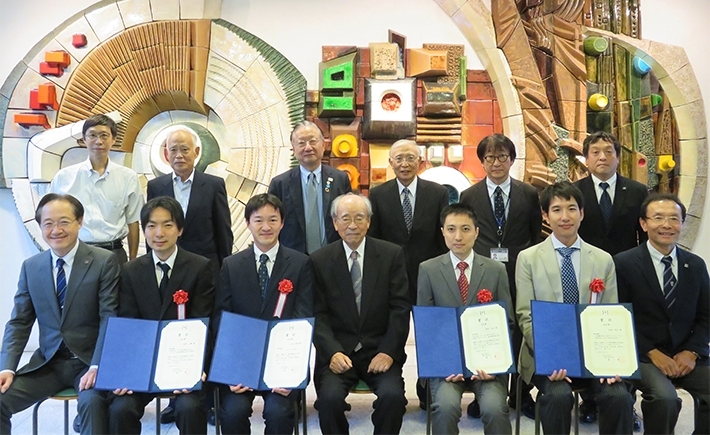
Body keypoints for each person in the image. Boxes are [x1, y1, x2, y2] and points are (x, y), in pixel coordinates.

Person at [515, 181, 633, 434]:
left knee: (619, 396)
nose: (565, 217)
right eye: (557, 210)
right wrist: (552, 356)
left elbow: (611, 315)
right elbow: (526, 316)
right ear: (546, 215)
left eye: (571, 209)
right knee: (558, 397)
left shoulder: (602, 259)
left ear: (582, 213)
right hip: (547, 355)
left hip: (595, 355)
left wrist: (612, 362)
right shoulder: (528, 259)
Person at [0, 193, 119, 435]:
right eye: (48, 223)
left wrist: (98, 364)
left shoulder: (104, 261)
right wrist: (7, 368)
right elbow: (20, 321)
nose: (56, 230)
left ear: (79, 221)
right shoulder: (31, 267)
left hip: (88, 362)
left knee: (93, 402)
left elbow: (110, 317)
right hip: (48, 364)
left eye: (64, 221)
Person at [108, 196, 215, 434]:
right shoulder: (130, 271)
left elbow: (203, 323)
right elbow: (128, 324)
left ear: (180, 229)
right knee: (120, 408)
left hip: (184, 364)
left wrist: (195, 367)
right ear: (144, 230)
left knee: (189, 407)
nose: (159, 233)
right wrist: (126, 373)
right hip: (143, 365)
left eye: (167, 225)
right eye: (151, 226)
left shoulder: (200, 267)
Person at [214, 193, 313, 434]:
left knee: (279, 413)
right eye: (258, 220)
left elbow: (303, 318)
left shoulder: (300, 263)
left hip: (283, 362)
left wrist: (291, 371)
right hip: (242, 363)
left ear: (282, 223)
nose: (266, 227)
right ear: (247, 223)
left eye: (272, 220)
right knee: (232, 413)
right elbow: (221, 319)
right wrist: (231, 370)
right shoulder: (231, 265)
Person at [311, 194, 410, 434]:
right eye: (345, 219)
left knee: (393, 398)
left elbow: (400, 308)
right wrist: (332, 352)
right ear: (335, 223)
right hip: (338, 352)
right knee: (329, 400)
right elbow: (317, 314)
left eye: (359, 218)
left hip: (379, 350)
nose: (352, 225)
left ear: (368, 222)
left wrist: (388, 352)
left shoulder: (390, 255)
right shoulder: (319, 260)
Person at [458, 133, 541, 418]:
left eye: (502, 156)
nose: (496, 163)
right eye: (490, 157)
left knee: (519, 330)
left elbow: (534, 235)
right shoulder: (469, 196)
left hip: (520, 271)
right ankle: (486, 392)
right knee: (486, 328)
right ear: (481, 161)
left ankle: (521, 392)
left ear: (511, 159)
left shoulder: (529, 193)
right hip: (484, 273)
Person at [614, 193, 709, 435]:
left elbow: (707, 315)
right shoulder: (624, 264)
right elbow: (619, 317)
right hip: (643, 354)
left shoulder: (695, 265)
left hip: (685, 353)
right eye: (658, 218)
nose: (666, 225)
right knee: (665, 399)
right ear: (644, 224)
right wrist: (652, 352)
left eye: (674, 219)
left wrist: (692, 351)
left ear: (682, 224)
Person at [418, 203, 513, 434]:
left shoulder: (495, 270)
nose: (458, 236)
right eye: (451, 229)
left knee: (494, 407)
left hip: (487, 365)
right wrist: (445, 363)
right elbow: (426, 326)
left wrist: (495, 364)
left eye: (465, 229)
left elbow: (506, 322)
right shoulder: (428, 269)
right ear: (442, 232)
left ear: (477, 232)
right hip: (446, 366)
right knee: (445, 407)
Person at [573, 131, 647, 426]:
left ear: (618, 157)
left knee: (622, 336)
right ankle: (590, 400)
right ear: (586, 159)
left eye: (608, 151)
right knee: (588, 332)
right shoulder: (575, 191)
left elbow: (643, 237)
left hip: (626, 274)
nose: (602, 157)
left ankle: (625, 402)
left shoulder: (638, 191)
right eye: (595, 152)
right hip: (586, 274)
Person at [50, 114, 143, 264]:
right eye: (92, 135)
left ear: (113, 139)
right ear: (84, 139)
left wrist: (133, 262)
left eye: (104, 135)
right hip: (76, 253)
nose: (98, 141)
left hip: (114, 253)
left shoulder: (128, 177)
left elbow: (133, 222)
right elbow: (51, 217)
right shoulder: (64, 177)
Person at [147, 126, 233, 278]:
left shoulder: (213, 185)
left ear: (196, 152)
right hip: (168, 267)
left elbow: (223, 231)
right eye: (173, 150)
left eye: (185, 149)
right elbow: (152, 228)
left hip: (206, 267)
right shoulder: (156, 187)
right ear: (167, 154)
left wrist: (224, 269)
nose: (179, 155)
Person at [268, 121, 351, 254]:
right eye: (301, 143)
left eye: (313, 141)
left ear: (323, 145)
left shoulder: (340, 179)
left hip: (332, 257)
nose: (308, 148)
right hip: (294, 259)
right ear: (293, 150)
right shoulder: (280, 184)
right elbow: (272, 223)